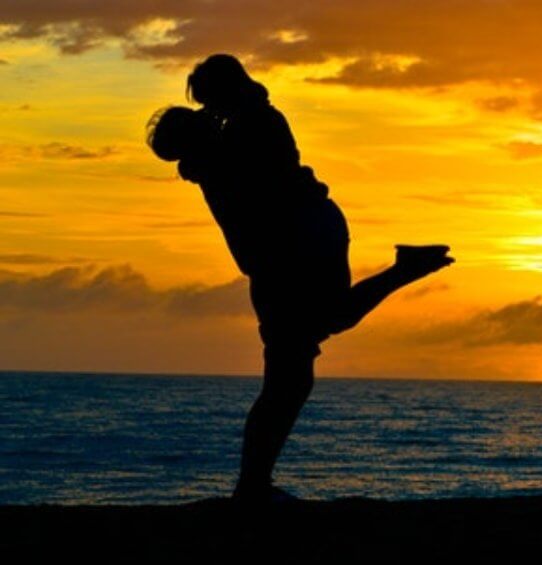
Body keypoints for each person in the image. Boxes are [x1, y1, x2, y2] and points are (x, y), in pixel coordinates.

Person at [147, 63, 454, 502]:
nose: (207, 109)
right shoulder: (236, 131)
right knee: (304, 358)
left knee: (292, 370)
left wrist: (203, 146)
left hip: (296, 248)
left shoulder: (246, 130)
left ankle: (252, 487)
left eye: (208, 100)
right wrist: (202, 147)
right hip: (293, 248)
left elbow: (251, 182)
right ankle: (253, 485)